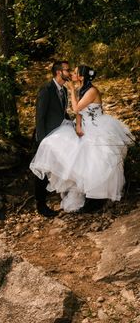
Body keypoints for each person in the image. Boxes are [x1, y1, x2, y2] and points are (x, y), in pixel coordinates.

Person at [30, 65, 134, 212]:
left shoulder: (90, 90)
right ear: (59, 72)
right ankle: (42, 202)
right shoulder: (49, 90)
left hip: (97, 127)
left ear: (82, 77)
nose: (72, 73)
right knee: (71, 157)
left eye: (75, 72)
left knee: (94, 161)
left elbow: (76, 108)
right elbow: (45, 116)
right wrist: (77, 125)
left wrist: (72, 90)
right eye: (69, 71)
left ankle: (95, 199)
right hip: (72, 128)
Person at [31, 60, 72, 217]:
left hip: (59, 134)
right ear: (58, 72)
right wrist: (41, 140)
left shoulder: (64, 90)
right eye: (67, 70)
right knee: (41, 170)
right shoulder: (46, 89)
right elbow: (40, 117)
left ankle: (64, 196)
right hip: (46, 136)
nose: (69, 73)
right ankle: (41, 206)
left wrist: (71, 122)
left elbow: (61, 112)